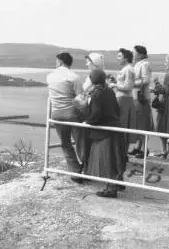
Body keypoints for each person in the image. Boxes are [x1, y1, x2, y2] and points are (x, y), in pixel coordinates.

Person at [84, 69, 127, 198]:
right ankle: (118, 181)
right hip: (115, 127)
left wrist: (88, 121)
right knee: (116, 156)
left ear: (93, 80)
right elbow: (117, 110)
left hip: (104, 132)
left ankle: (111, 188)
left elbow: (96, 114)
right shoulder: (109, 91)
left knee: (107, 159)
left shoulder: (96, 94)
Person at [46, 52, 84, 183]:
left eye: (57, 61)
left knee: (65, 143)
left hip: (56, 114)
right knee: (80, 141)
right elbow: (80, 98)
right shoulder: (74, 77)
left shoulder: (50, 76)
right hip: (71, 113)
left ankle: (75, 172)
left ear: (61, 62)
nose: (56, 63)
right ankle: (88, 168)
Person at [108, 48, 137, 150]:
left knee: (122, 125)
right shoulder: (127, 68)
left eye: (120, 56)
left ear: (126, 58)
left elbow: (128, 87)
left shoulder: (128, 69)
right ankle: (122, 152)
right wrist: (116, 82)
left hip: (124, 100)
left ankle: (121, 152)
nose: (118, 58)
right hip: (123, 99)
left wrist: (114, 85)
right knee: (123, 125)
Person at [130, 45, 154, 158]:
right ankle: (138, 147)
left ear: (140, 54)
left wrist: (131, 84)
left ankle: (145, 150)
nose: (133, 54)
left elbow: (146, 80)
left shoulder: (144, 64)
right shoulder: (140, 64)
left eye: (134, 52)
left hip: (141, 98)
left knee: (143, 123)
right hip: (137, 97)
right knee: (139, 122)